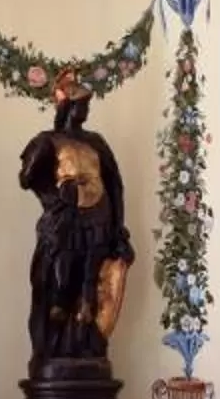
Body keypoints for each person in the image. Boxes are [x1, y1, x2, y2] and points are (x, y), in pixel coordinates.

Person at [17, 70, 134, 365]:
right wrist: (56, 198)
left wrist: (118, 227)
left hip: (98, 216)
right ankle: (56, 321)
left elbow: (115, 184)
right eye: (82, 104)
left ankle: (85, 324)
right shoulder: (49, 140)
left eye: (86, 104)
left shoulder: (96, 142)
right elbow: (27, 178)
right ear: (68, 107)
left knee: (90, 272)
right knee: (62, 268)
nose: (86, 110)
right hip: (65, 219)